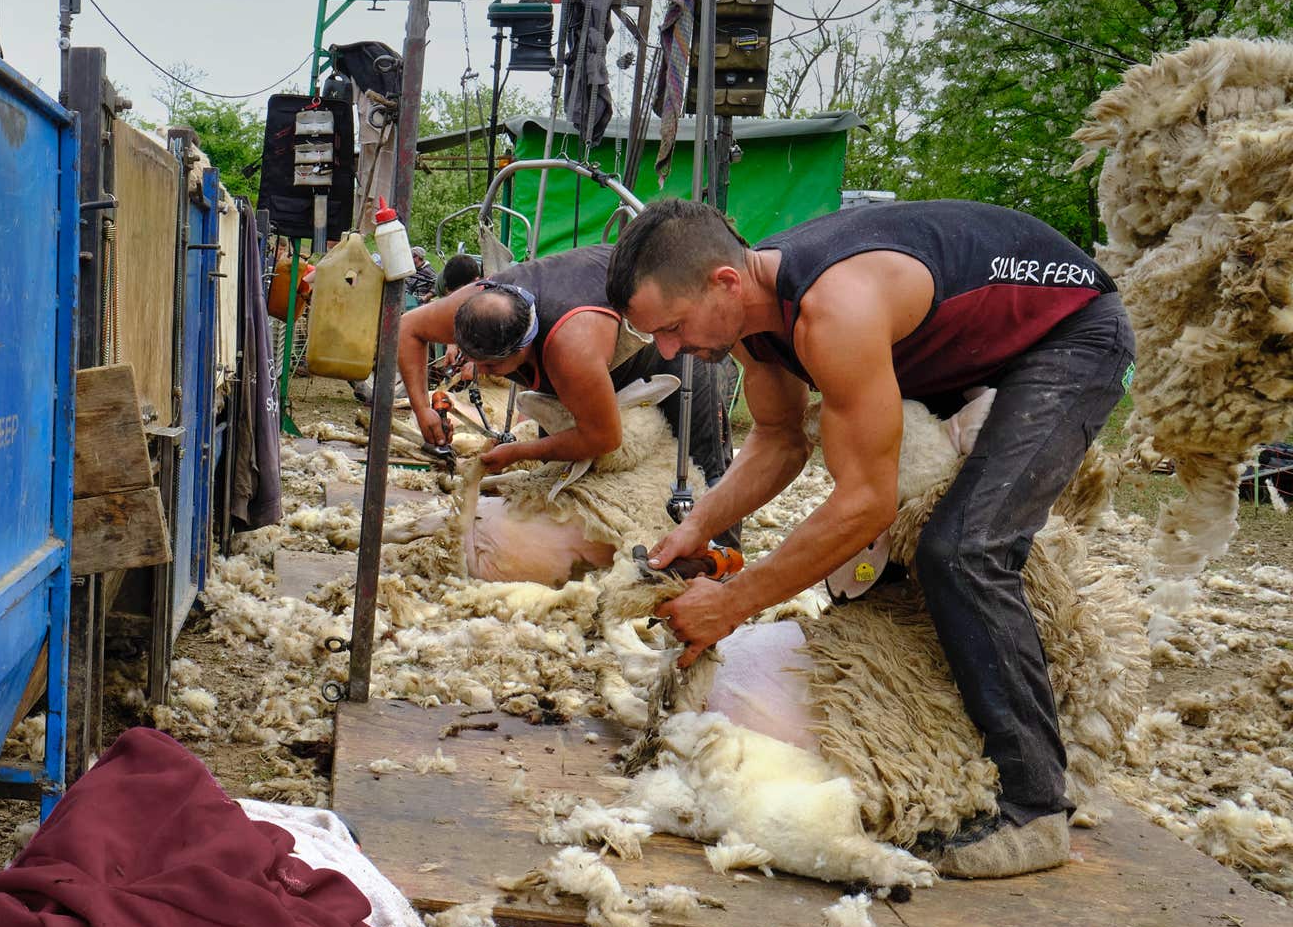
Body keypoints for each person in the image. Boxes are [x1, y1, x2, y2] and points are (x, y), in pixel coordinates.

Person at [604, 197, 1135, 879]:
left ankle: (1035, 808)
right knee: (884, 570)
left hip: (1071, 338)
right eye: (656, 335)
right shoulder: (754, 319)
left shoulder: (833, 310)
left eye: (673, 328)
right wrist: (697, 525)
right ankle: (932, 734)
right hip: (967, 350)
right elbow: (778, 440)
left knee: (963, 548)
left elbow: (865, 503)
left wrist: (733, 604)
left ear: (725, 282)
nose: (670, 351)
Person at [395, 242, 729, 482]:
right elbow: (408, 328)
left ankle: (723, 549)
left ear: (524, 347)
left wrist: (520, 452)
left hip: (670, 351)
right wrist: (422, 408)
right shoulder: (476, 306)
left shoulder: (572, 348)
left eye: (492, 367)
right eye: (474, 360)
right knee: (556, 478)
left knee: (703, 470)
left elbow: (604, 438)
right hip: (585, 350)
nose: (481, 371)